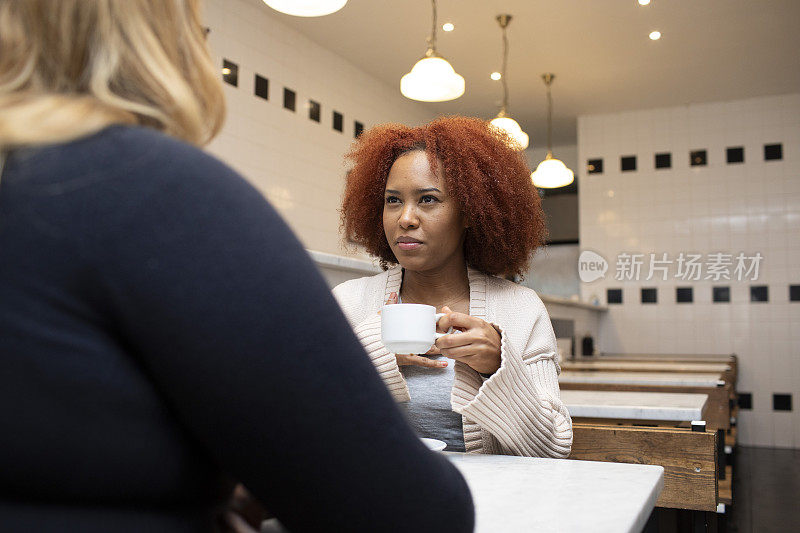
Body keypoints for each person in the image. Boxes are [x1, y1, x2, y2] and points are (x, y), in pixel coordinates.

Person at [0, 1, 474, 532]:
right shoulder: (155, 189)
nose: (407, 218)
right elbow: (406, 511)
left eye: (429, 200)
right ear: (164, 32)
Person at [333, 116, 573, 457]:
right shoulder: (348, 302)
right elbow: (297, 419)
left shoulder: (520, 309)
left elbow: (553, 449)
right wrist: (373, 353)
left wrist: (498, 367)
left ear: (470, 212)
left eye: (428, 199)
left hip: (491, 504)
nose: (405, 218)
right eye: (393, 200)